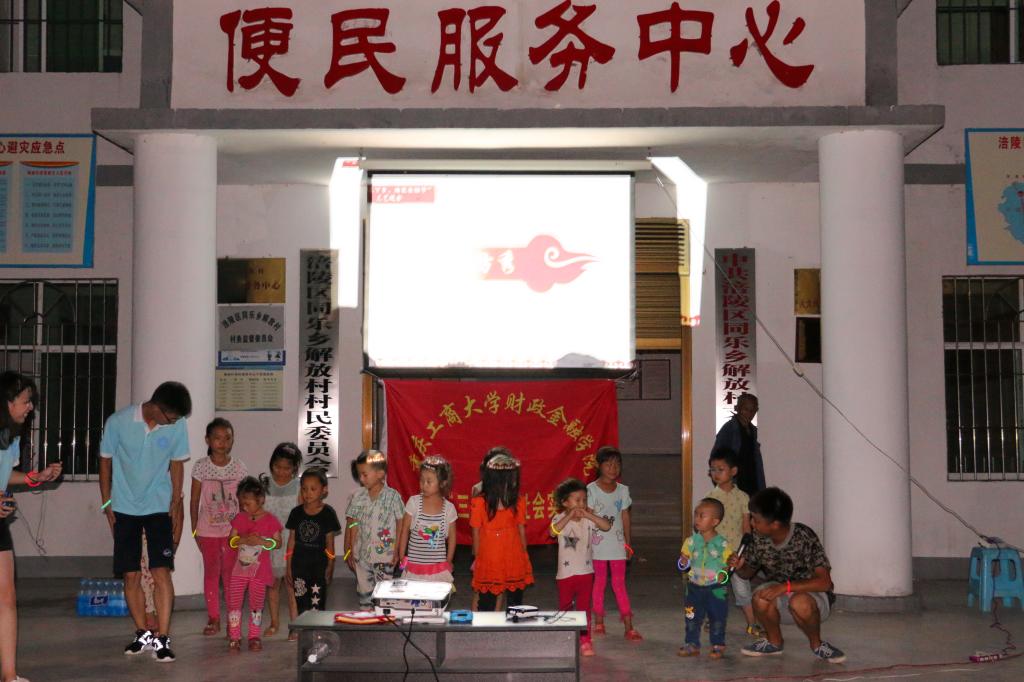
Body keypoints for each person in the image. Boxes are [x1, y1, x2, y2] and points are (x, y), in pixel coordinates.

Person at [99, 381, 191, 663]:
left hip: (158, 507)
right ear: (157, 408)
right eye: (170, 417)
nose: (173, 423)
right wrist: (106, 503)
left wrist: (176, 501)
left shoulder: (177, 425)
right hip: (124, 507)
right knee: (131, 575)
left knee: (161, 572)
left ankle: (162, 638)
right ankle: (142, 633)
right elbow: (105, 461)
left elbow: (176, 463)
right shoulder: (118, 422)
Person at [729, 487, 847, 663]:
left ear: (775, 524)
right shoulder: (758, 538)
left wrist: (786, 587)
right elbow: (747, 573)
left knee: (799, 602)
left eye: (756, 520)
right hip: (780, 595)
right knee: (760, 597)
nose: (752, 523)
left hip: (812, 598)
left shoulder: (803, 536)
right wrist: (739, 567)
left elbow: (824, 582)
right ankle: (774, 642)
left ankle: (817, 645)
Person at [0, 371, 62, 682]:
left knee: (6, 597)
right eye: (26, 401)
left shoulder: (10, 437)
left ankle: (9, 675)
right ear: (6, 402)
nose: (30, 408)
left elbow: (4, 477)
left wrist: (35, 477)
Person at [189, 417, 247, 636]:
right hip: (208, 532)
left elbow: (245, 501)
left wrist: (243, 529)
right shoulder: (201, 467)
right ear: (208, 440)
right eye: (217, 438)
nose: (223, 443)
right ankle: (213, 618)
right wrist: (195, 529)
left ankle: (233, 617)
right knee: (211, 575)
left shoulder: (239, 467)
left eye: (227, 438)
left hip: (232, 533)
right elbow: (194, 500)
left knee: (231, 575)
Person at [550, 478, 611, 657]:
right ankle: (567, 638)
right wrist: (569, 516)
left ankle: (585, 640)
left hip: (586, 573)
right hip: (565, 574)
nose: (581, 504)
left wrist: (589, 515)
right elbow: (553, 531)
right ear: (565, 503)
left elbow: (606, 526)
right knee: (565, 607)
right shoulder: (560, 518)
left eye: (584, 500)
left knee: (584, 608)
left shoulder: (588, 519)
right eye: (577, 500)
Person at [705, 448, 761, 637]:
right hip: (716, 553)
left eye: (720, 469)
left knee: (742, 590)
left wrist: (744, 552)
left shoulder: (743, 497)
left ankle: (752, 624)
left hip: (736, 554)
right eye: (713, 470)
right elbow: (705, 528)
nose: (716, 474)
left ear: (733, 471)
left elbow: (746, 527)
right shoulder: (710, 498)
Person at [588, 446, 641, 640]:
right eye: (608, 464)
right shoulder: (591, 490)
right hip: (597, 546)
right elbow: (588, 518)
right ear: (599, 465)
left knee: (619, 584)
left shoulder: (623, 490)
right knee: (599, 583)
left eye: (617, 464)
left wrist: (628, 543)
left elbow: (625, 517)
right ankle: (599, 621)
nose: (613, 468)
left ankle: (628, 625)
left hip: (617, 545)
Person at [470, 452, 534, 611]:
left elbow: (521, 530)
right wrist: (478, 558)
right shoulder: (479, 503)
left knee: (515, 605)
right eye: (511, 478)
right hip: (490, 560)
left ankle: (512, 626)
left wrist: (524, 555)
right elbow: (476, 532)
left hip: (514, 558)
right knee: (486, 603)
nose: (514, 482)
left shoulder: (518, 502)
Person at [226, 476, 283, 652]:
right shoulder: (240, 518)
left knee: (256, 605)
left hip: (260, 572)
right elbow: (231, 541)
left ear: (261, 500)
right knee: (234, 604)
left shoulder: (271, 520)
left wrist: (262, 542)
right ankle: (234, 637)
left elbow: (277, 543)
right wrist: (242, 539)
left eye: (248, 503)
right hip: (239, 572)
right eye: (242, 504)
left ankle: (254, 636)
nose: (244, 507)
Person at [342, 450, 404, 607]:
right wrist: (350, 548)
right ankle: (366, 614)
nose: (361, 479)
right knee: (364, 591)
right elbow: (353, 523)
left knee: (383, 593)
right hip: (362, 555)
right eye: (359, 475)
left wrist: (397, 550)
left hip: (385, 556)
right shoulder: (358, 497)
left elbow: (400, 523)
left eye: (365, 474)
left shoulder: (393, 496)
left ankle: (383, 616)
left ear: (380, 474)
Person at [677, 498, 733, 659]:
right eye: (696, 514)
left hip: (716, 589)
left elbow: (729, 566)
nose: (697, 519)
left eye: (702, 516)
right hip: (694, 587)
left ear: (715, 521)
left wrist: (725, 572)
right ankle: (692, 643)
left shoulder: (722, 544)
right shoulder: (691, 541)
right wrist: (683, 562)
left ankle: (718, 644)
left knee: (717, 617)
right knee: (691, 617)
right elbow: (683, 564)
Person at [259, 442, 301, 638]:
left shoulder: (299, 486)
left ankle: (295, 625)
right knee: (273, 585)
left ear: (294, 468)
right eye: (277, 467)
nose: (281, 472)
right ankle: (274, 622)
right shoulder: (264, 485)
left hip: (292, 542)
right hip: (270, 543)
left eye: (287, 468)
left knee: (292, 585)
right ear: (271, 464)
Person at [287, 468, 341, 614]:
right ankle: (303, 626)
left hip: (319, 567)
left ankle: (317, 627)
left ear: (324, 490)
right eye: (304, 489)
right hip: (298, 566)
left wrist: (331, 564)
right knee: (301, 602)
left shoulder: (328, 513)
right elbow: (291, 541)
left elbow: (330, 543)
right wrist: (288, 566)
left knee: (317, 602)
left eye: (313, 489)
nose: (308, 493)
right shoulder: (296, 513)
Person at [397, 455, 457, 583]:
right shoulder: (414, 503)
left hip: (437, 569)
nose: (424, 485)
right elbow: (404, 530)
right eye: (421, 480)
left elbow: (452, 538)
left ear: (442, 483)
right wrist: (401, 555)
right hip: (414, 568)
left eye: (429, 481)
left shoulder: (448, 509)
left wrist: (449, 560)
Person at [471, 447, 508, 612]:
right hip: (485, 548)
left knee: (501, 588)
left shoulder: (509, 491)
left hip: (503, 548)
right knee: (479, 588)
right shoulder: (478, 489)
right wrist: (477, 553)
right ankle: (475, 618)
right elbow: (475, 526)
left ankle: (497, 619)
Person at [712, 393, 765, 496]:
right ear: (737, 408)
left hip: (753, 484)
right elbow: (716, 459)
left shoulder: (753, 431)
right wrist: (724, 485)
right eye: (746, 409)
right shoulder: (728, 429)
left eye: (752, 410)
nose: (749, 413)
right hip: (734, 484)